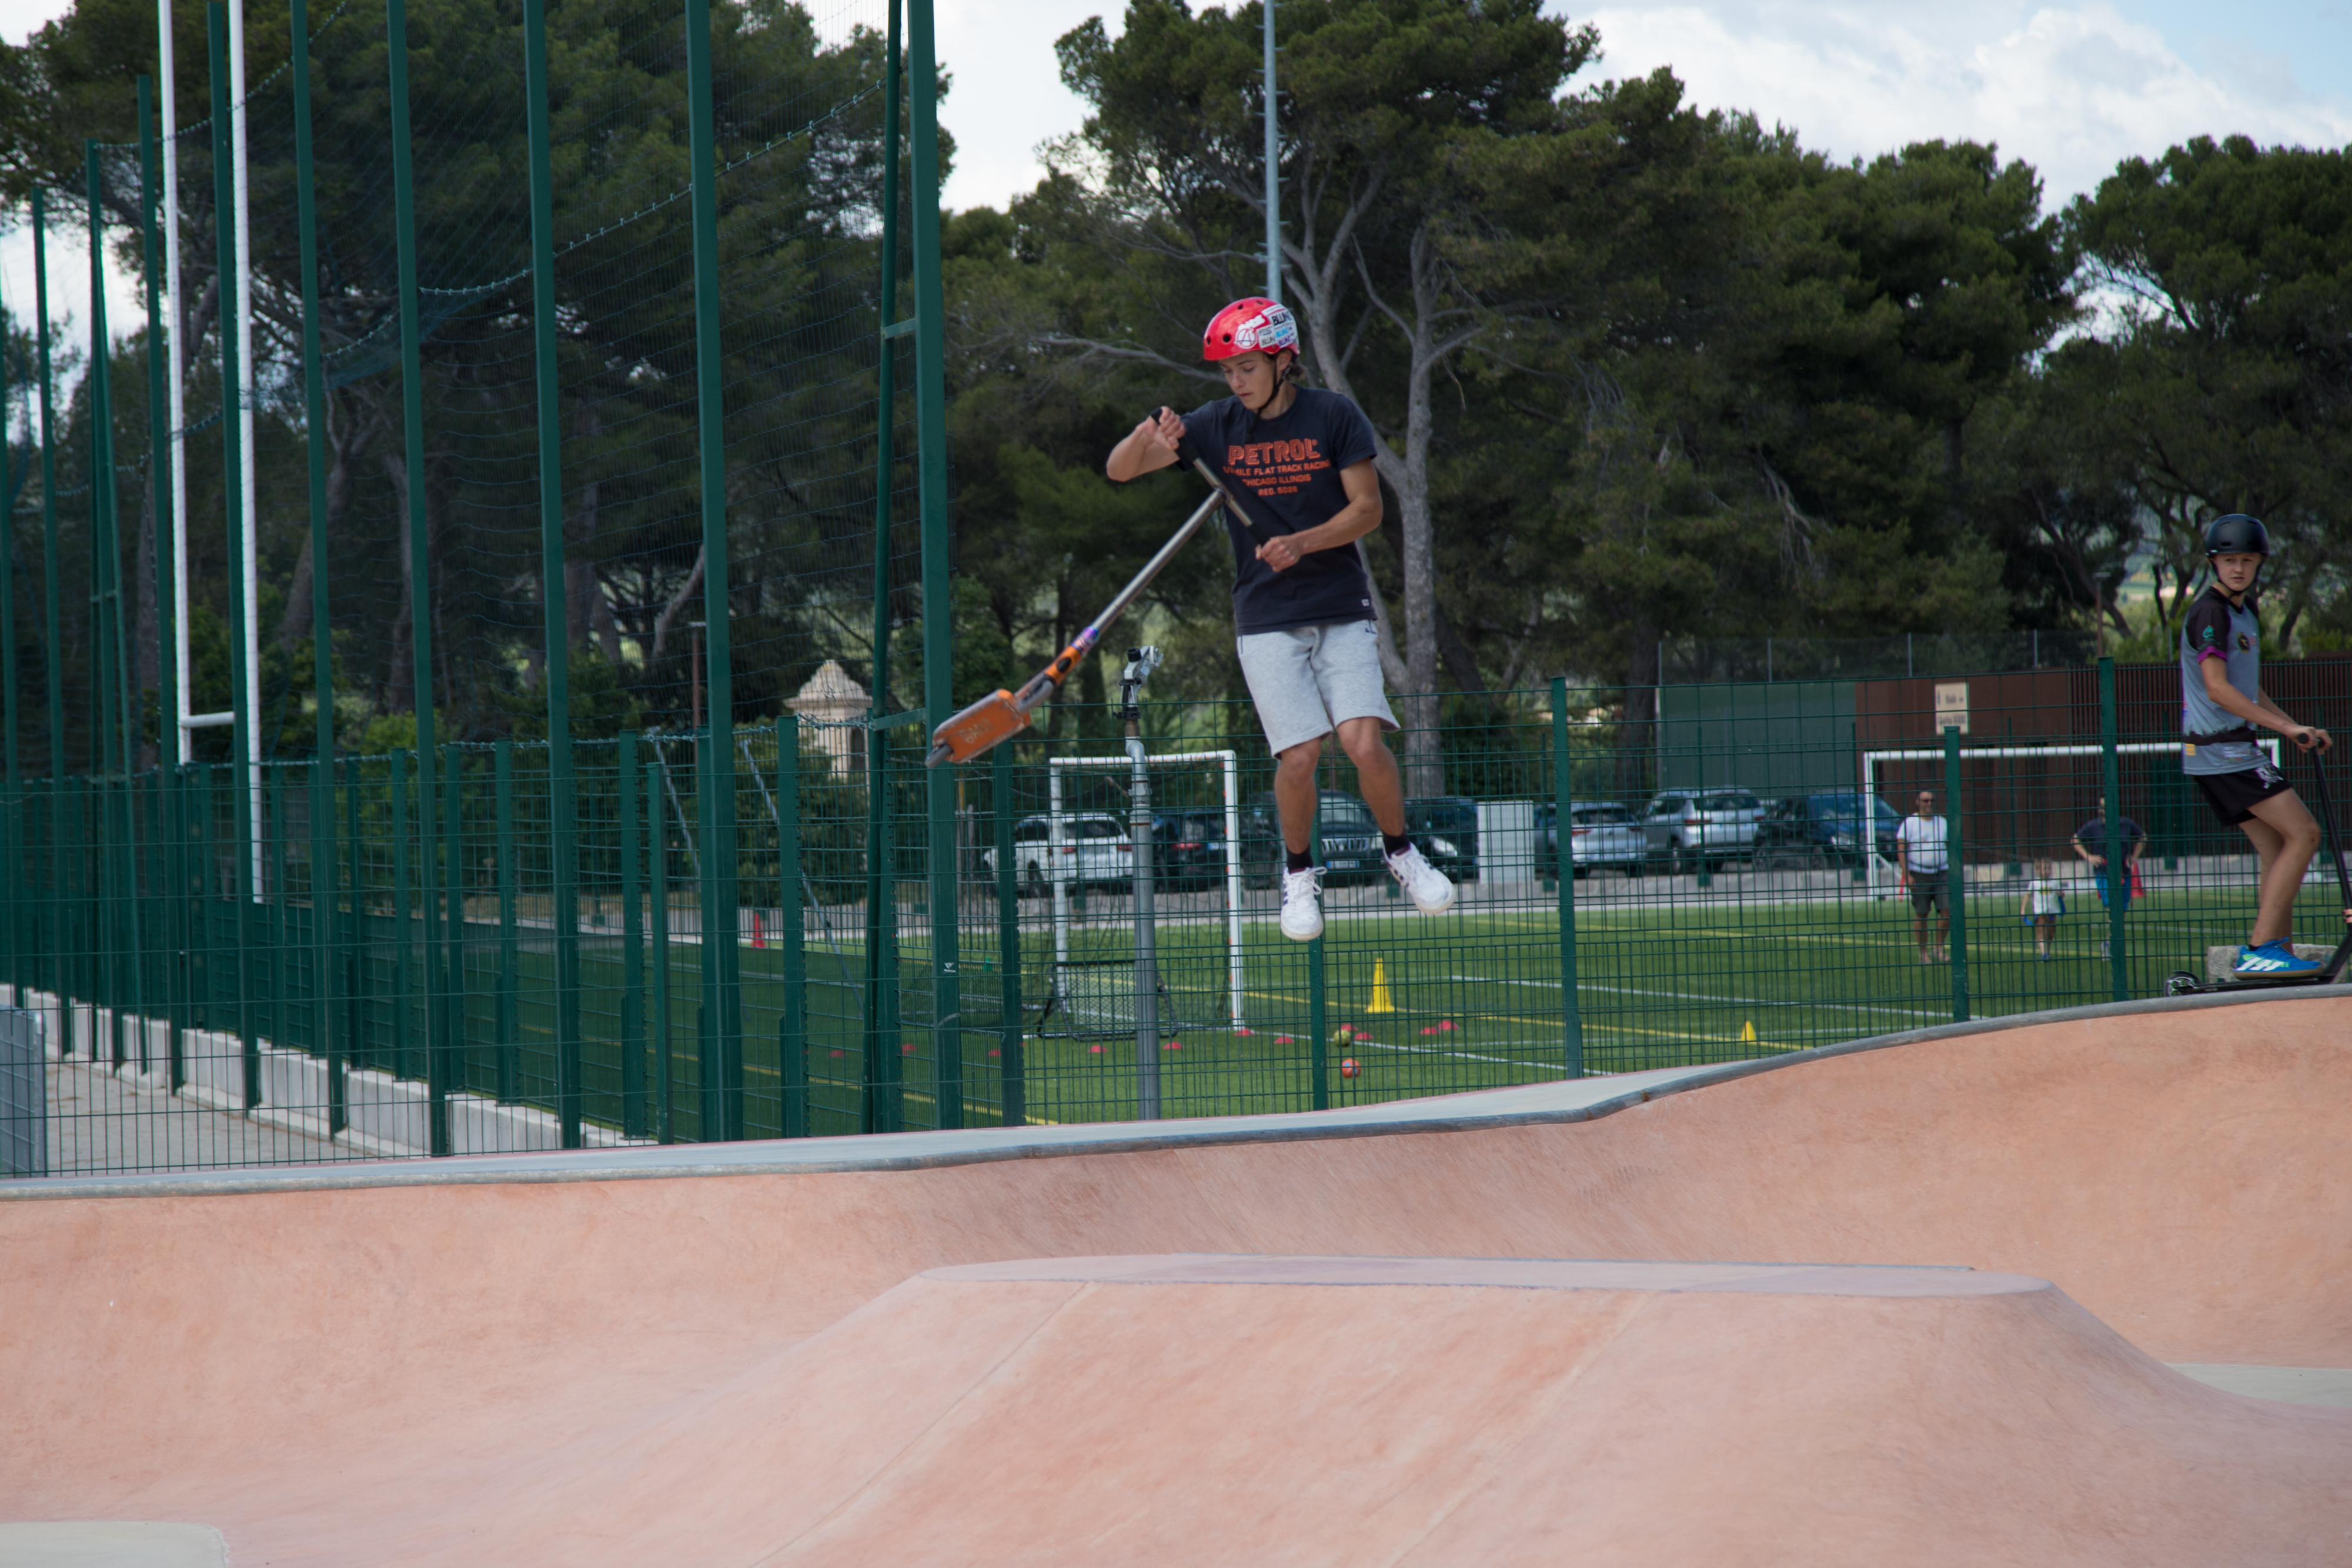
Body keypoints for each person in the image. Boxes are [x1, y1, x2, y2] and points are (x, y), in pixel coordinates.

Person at [1104, 296, 1455, 941]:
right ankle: (1298, 875)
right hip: (1263, 614)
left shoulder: (1333, 416)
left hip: (1340, 605)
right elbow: (1118, 472)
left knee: (1362, 743)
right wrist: (1145, 437)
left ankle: (1400, 852)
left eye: (1246, 367)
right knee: (1298, 757)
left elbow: (1368, 511)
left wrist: (1303, 543)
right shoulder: (1213, 426)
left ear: (1283, 360)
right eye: (1227, 371)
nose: (1235, 382)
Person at [2178, 513, 2348, 975]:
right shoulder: (2210, 613)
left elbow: (2248, 689)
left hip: (2231, 749)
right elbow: (2218, 688)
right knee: (2307, 832)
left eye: (2247, 561)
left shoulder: (2245, 612)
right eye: (2229, 560)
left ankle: (2277, 952)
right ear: (2214, 563)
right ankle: (2258, 951)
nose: (2238, 569)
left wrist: (2294, 727)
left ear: (2258, 564)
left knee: (2277, 846)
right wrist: (2283, 729)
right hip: (2222, 750)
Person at [2070, 810, 2146, 959]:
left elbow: (2142, 837)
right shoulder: (2094, 826)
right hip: (2104, 871)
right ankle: (2114, 945)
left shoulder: (2126, 823)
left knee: (2122, 910)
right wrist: (2089, 857)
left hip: (2123, 871)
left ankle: (2109, 942)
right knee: (2113, 907)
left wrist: (2135, 857)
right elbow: (2075, 840)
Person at [1896, 788, 1949, 964]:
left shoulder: (1942, 822)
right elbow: (1901, 847)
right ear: (1917, 802)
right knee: (1922, 913)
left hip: (1942, 871)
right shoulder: (1910, 823)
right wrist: (1907, 873)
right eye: (1925, 801)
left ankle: (1938, 948)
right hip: (1919, 872)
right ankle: (1923, 953)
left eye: (1931, 801)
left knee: (1947, 910)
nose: (1929, 804)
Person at [2020, 856, 2064, 961]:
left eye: (2049, 868)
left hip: (2052, 911)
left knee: (2050, 933)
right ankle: (2044, 953)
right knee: (2041, 931)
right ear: (2038, 870)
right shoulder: (2035, 883)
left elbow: (2059, 893)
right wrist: (2023, 909)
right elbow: (2027, 895)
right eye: (2045, 869)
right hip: (2040, 911)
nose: (2047, 871)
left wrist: (2062, 895)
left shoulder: (2054, 882)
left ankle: (2047, 952)